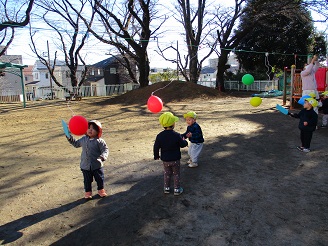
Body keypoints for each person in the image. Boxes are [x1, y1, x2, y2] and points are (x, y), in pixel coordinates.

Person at [67, 120, 109, 199]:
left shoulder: (100, 141)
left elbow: (105, 150)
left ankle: (101, 190)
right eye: (89, 128)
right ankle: (88, 192)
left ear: (98, 131)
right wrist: (69, 137)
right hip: (85, 166)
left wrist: (102, 157)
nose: (90, 130)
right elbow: (76, 144)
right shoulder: (83, 139)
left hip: (97, 165)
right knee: (87, 180)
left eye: (93, 128)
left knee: (99, 178)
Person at [153, 112, 188, 196]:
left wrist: (156, 155)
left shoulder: (160, 136)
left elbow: (156, 147)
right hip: (175, 159)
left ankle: (166, 188)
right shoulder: (176, 135)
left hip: (165, 160)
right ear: (173, 124)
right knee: (176, 174)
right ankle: (177, 189)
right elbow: (182, 144)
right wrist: (185, 141)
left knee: (167, 173)